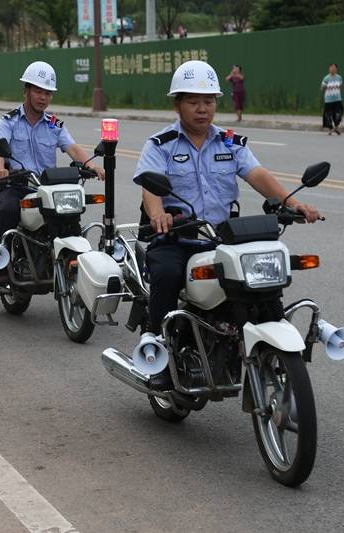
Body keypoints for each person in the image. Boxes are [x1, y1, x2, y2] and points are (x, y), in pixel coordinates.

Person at [133, 60, 320, 387]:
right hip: (177, 236)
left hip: (220, 238)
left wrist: (293, 204)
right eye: (193, 102)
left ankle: (272, 341)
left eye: (208, 101)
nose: (202, 109)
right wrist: (158, 214)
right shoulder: (160, 144)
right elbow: (151, 187)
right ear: (177, 105)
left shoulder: (230, 142)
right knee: (165, 273)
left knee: (261, 279)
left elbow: (257, 175)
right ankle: (156, 346)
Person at [0, 61, 103, 279]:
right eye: (38, 91)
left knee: (70, 217)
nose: (43, 97)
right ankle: (0, 263)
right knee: (7, 209)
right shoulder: (9, 121)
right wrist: (0, 169)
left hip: (48, 188)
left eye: (48, 93)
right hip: (17, 186)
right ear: (26, 91)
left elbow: (72, 148)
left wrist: (91, 165)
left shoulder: (54, 124)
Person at [321, 63, 343, 135]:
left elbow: (340, 87)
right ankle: (330, 129)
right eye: (330, 68)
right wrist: (324, 89)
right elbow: (322, 89)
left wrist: (338, 94)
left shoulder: (339, 77)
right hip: (328, 100)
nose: (332, 69)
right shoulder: (326, 78)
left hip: (337, 99)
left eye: (333, 68)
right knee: (328, 115)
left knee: (338, 114)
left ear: (336, 69)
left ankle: (336, 127)